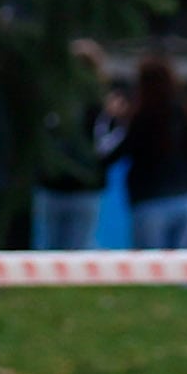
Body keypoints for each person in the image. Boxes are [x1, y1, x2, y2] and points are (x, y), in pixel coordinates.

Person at [34, 40, 117, 253]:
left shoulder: (52, 102)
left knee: (50, 251)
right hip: (80, 188)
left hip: (57, 186)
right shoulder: (102, 109)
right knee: (77, 251)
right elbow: (107, 148)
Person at [118, 54, 187, 250]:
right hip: (186, 199)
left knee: (151, 270)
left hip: (150, 201)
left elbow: (121, 151)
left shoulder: (140, 117)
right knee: (180, 270)